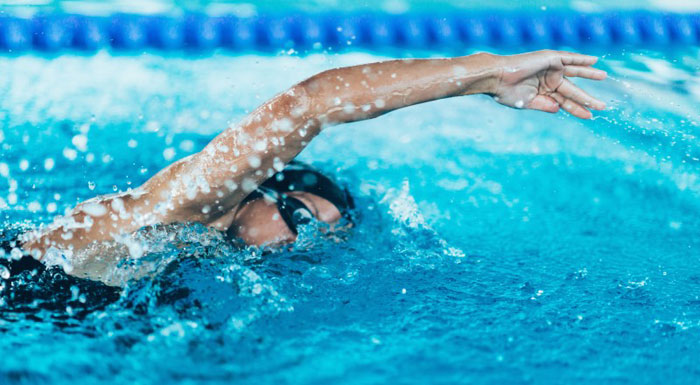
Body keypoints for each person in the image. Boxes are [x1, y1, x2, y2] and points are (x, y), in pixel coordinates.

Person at [8, 49, 606, 286]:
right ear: (256, 190)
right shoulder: (190, 205)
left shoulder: (187, 259)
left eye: (321, 235)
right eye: (298, 213)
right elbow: (311, 103)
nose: (302, 238)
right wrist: (482, 74)